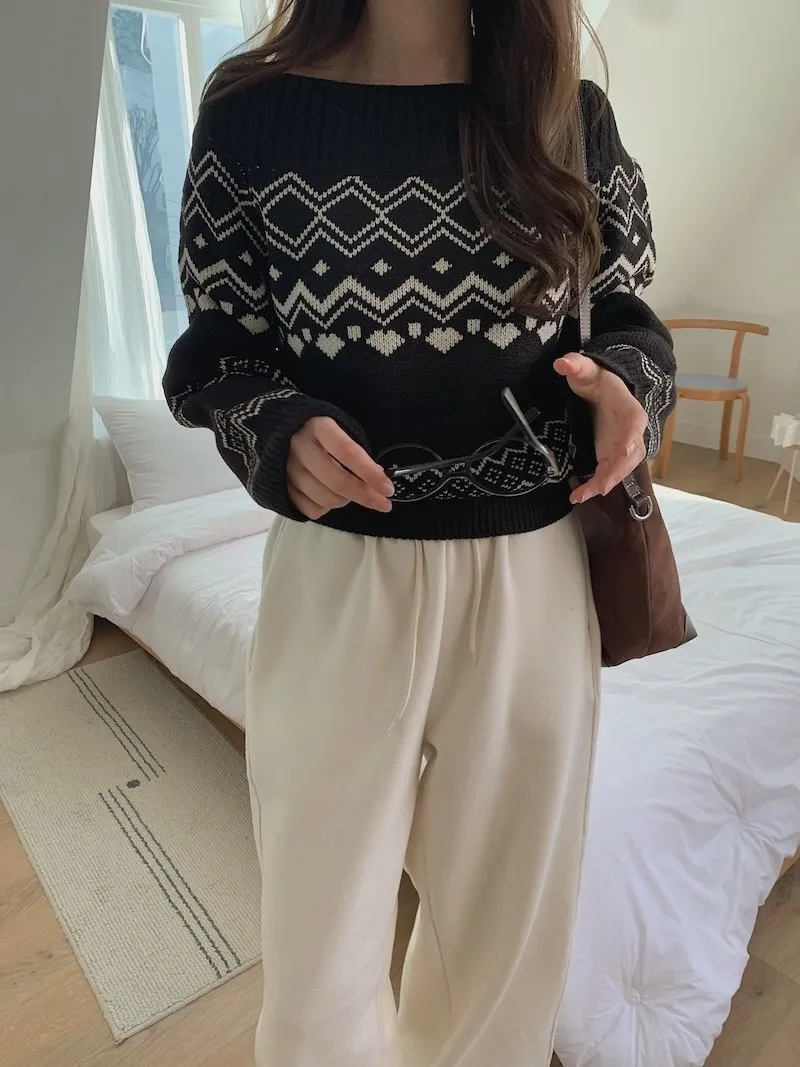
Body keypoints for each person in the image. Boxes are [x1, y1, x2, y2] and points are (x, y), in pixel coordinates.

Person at [163, 1, 676, 1063]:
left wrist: (629, 385)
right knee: (317, 936)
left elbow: (626, 313)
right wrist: (272, 424)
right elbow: (217, 351)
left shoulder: (567, 115)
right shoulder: (250, 113)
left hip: (535, 571)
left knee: (505, 938)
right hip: (338, 572)